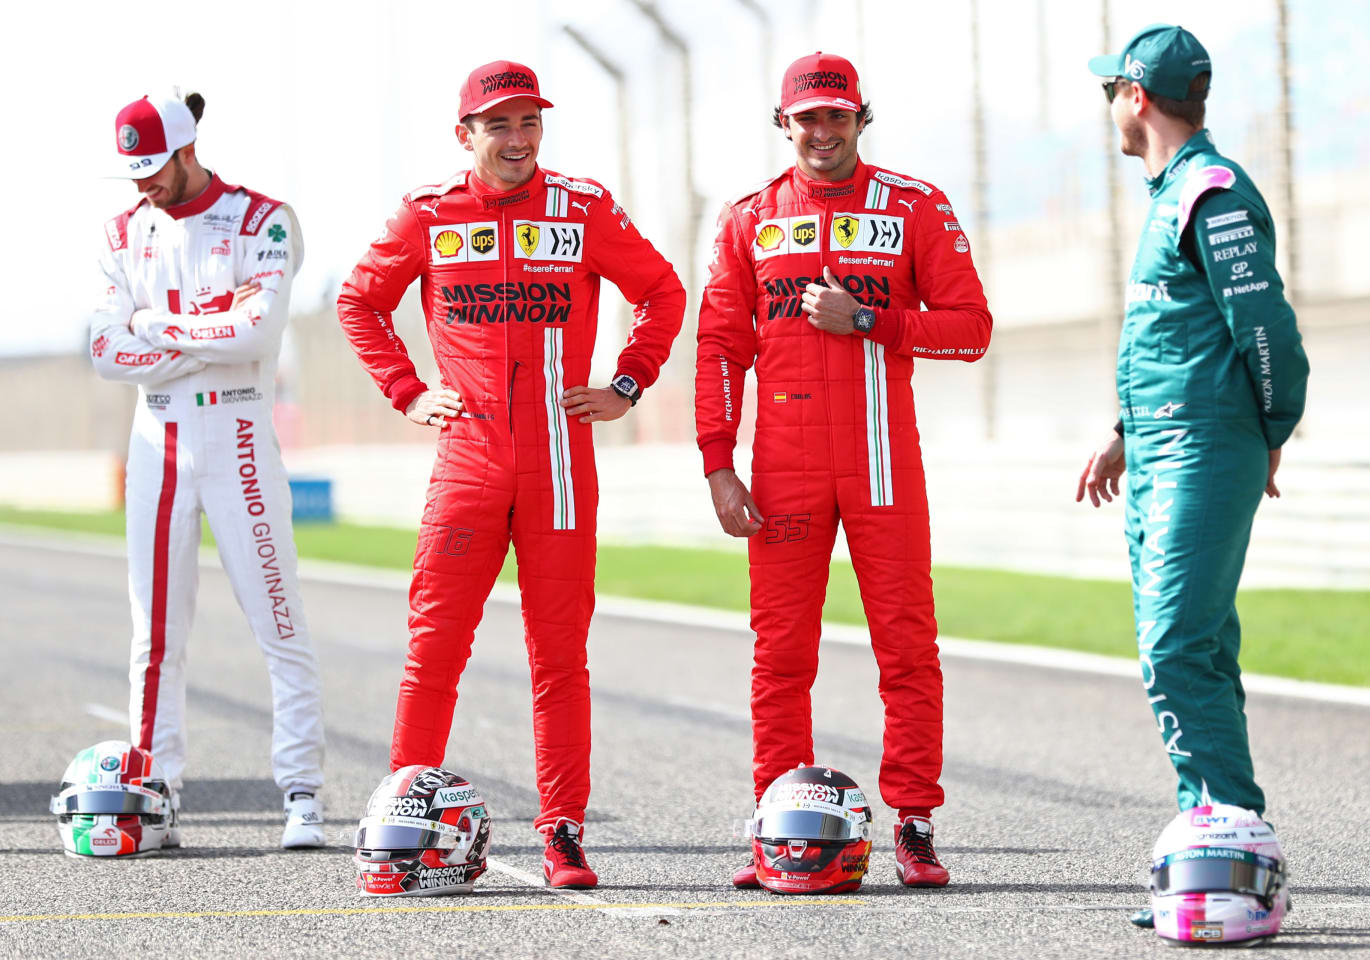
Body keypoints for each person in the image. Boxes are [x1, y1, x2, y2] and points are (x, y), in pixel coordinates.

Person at [336, 61, 684, 889]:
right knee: (434, 649)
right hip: (469, 460)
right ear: (467, 135)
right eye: (499, 125)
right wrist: (408, 390)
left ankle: (562, 830)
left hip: (563, 465)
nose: (518, 139)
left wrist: (627, 384)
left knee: (559, 655)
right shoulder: (428, 213)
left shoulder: (585, 207)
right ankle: (402, 823)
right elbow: (359, 301)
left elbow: (663, 293)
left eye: (529, 122)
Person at [695, 51, 993, 889]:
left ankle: (916, 823)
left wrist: (868, 317)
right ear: (782, 125)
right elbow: (718, 347)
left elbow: (971, 328)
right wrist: (718, 464)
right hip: (782, 467)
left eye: (838, 116)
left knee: (907, 648)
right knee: (780, 653)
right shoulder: (747, 218)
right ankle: (775, 817)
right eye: (808, 118)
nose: (822, 132)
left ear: (863, 118)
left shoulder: (914, 206)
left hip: (882, 464)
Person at [1076, 24, 1309, 927]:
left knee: (1175, 642)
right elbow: (1174, 339)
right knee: (1193, 652)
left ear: (1137, 97)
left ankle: (1230, 835)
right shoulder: (1171, 192)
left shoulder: (1211, 191)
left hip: (1207, 446)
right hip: (1164, 444)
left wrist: (1269, 427)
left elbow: (1265, 329)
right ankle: (1218, 845)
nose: (1111, 112)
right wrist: (1124, 431)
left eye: (1112, 94)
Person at [88, 91, 327, 849]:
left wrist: (152, 327)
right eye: (131, 172)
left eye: (153, 169)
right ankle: (153, 794)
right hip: (156, 440)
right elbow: (102, 349)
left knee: (278, 622)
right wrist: (203, 336)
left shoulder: (266, 219)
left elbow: (258, 330)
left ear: (189, 150)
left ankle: (304, 795)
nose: (142, 186)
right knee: (154, 633)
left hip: (240, 438)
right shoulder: (122, 231)